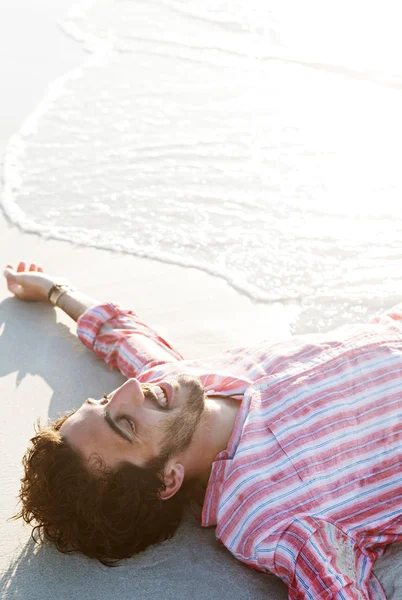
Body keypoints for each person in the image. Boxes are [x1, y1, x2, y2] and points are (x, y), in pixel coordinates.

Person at [3, 261, 402, 599]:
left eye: (104, 400)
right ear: (167, 480)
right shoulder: (275, 519)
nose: (129, 391)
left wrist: (55, 291)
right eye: (124, 423)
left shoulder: (171, 385)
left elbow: (124, 336)